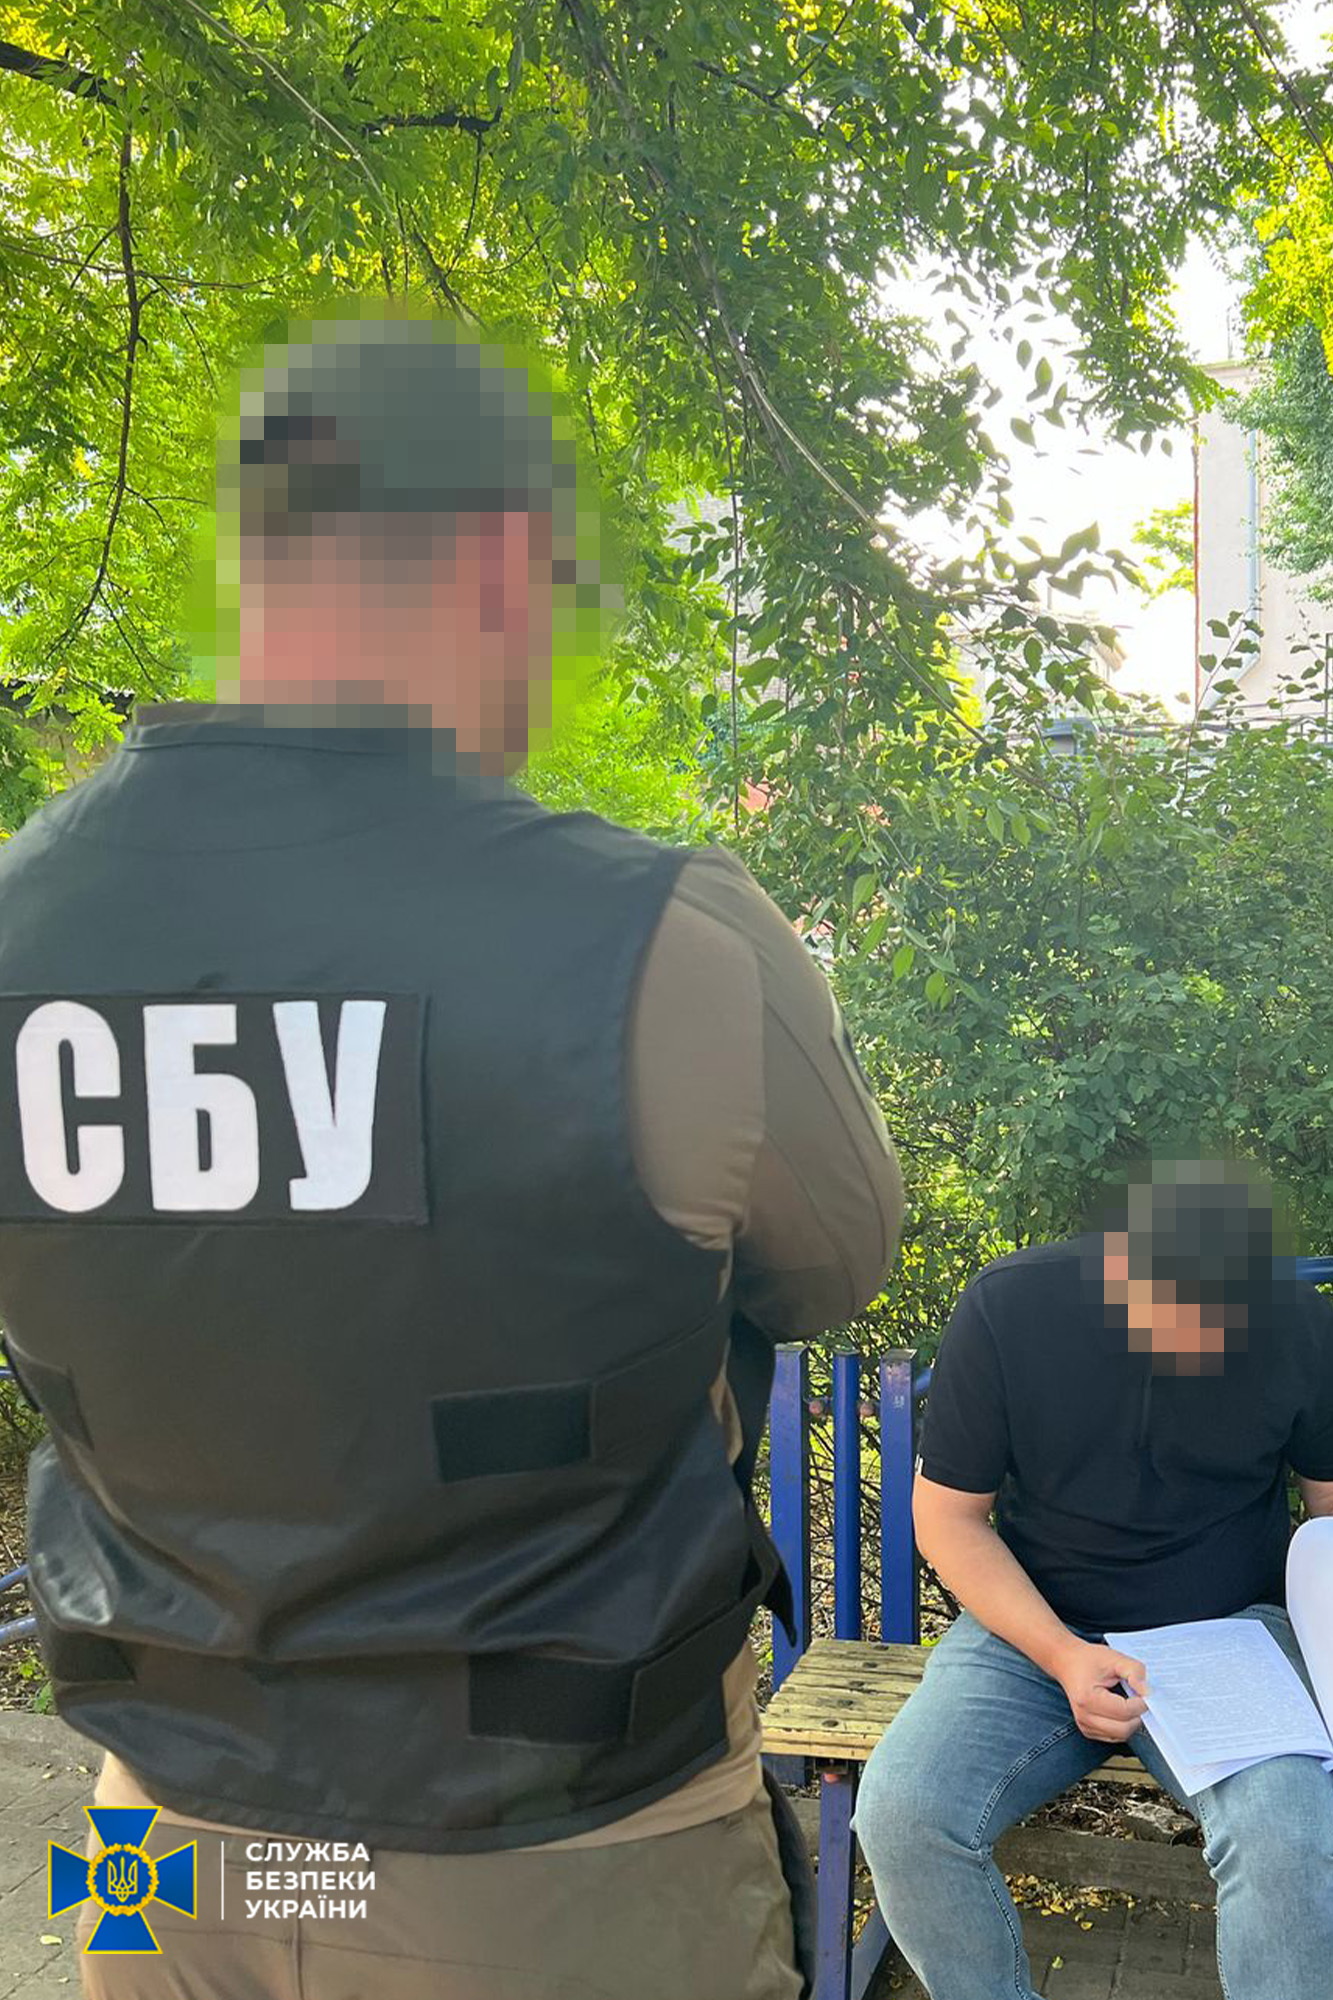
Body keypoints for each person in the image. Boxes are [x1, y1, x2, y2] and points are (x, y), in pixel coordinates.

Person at [0, 311, 903, 2000]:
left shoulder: (16, 922)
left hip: (152, 1839)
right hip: (561, 1860)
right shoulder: (661, 939)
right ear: (498, 558)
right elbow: (834, 1261)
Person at [854, 1162, 1333, 2000]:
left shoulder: (1294, 1322)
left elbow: (1328, 1516)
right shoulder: (1010, 1307)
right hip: (1036, 1628)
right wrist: (1062, 1654)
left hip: (1229, 1633)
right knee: (903, 1813)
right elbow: (948, 1518)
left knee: (1290, 1841)